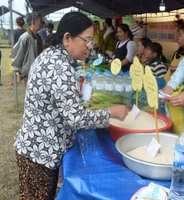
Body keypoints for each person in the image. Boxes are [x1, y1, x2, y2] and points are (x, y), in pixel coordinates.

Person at [14, 12, 129, 200]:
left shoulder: (54, 56)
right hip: (40, 152)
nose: (91, 47)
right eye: (87, 40)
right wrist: (110, 112)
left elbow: (62, 102)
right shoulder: (59, 67)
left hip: (37, 147)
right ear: (67, 38)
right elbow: (76, 119)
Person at [11, 12, 43, 86]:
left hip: (38, 70)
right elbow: (18, 54)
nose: (41, 24)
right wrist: (20, 71)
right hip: (29, 72)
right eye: (40, 21)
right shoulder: (25, 37)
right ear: (33, 22)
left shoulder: (37, 37)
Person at [8, 16, 26, 85]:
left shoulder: (14, 32)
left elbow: (13, 43)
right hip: (23, 50)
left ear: (16, 23)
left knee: (14, 65)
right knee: (23, 65)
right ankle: (23, 79)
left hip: (16, 50)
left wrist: (11, 51)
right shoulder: (25, 32)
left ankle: (13, 81)